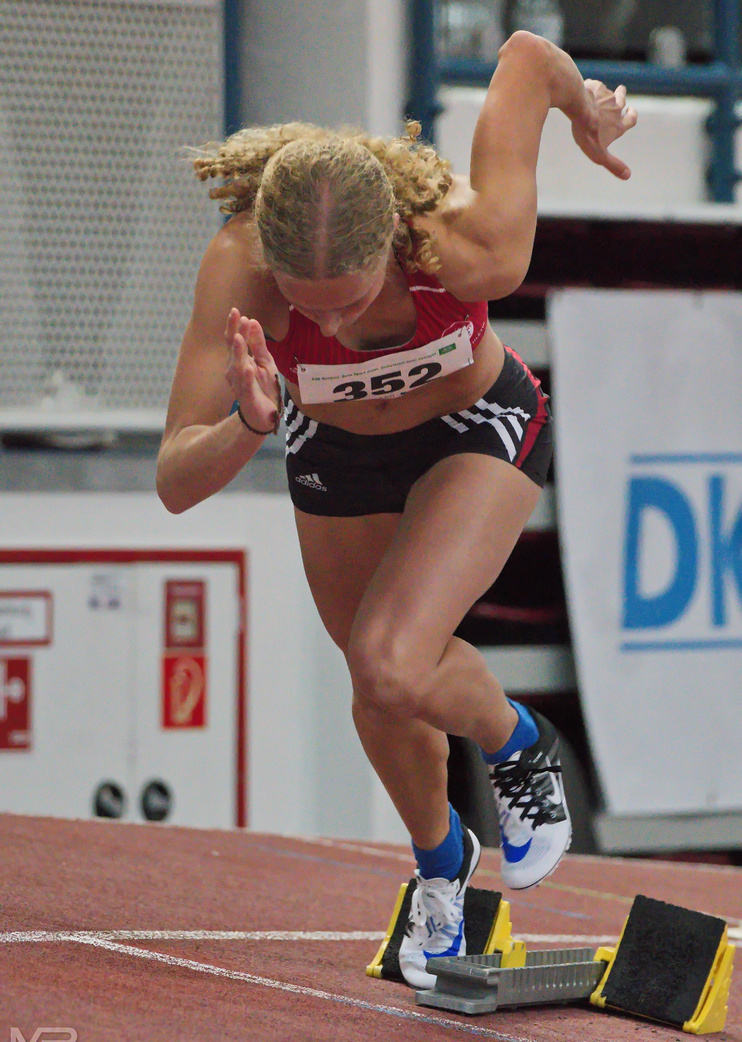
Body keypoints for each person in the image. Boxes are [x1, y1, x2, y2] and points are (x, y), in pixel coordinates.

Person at [157, 31, 637, 989]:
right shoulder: (239, 268)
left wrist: (586, 110)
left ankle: (520, 744)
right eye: (309, 308)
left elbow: (527, 57)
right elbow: (176, 477)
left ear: (396, 250)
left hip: (475, 428)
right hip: (336, 453)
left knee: (392, 654)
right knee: (378, 685)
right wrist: (250, 426)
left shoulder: (470, 243)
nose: (330, 328)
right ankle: (440, 868)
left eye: (353, 302)